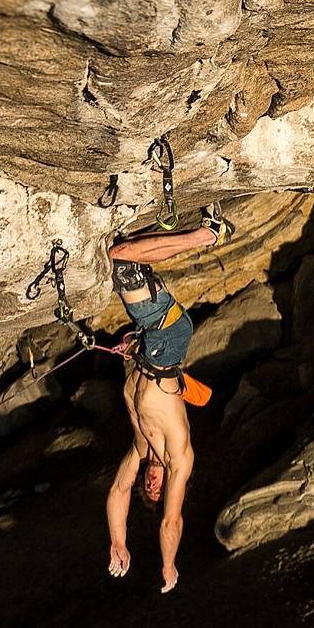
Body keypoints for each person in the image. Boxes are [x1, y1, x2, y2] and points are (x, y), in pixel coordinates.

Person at [104, 205, 231, 594]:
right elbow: (171, 522)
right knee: (121, 260)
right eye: (161, 489)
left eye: (151, 487)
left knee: (124, 255)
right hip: (168, 340)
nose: (155, 484)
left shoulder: (141, 447)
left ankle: (196, 233)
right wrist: (169, 565)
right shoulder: (180, 458)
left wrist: (119, 543)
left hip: (151, 342)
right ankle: (210, 236)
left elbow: (117, 491)